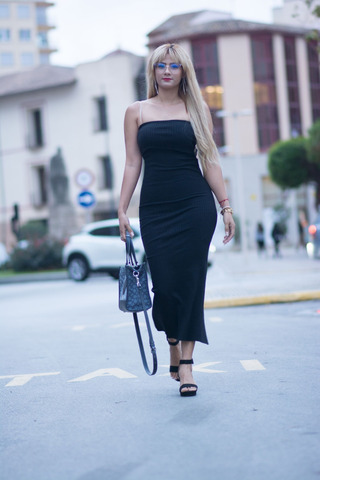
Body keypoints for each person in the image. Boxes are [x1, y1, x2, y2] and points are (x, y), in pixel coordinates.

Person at [118, 43, 235, 397]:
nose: (167, 71)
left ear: (184, 71)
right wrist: (122, 209)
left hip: (195, 206)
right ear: (152, 71)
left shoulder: (197, 109)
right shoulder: (136, 111)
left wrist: (225, 206)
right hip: (155, 209)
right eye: (161, 65)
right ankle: (172, 338)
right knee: (165, 286)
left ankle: (186, 364)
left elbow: (209, 160)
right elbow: (132, 163)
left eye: (174, 66)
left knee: (191, 283)